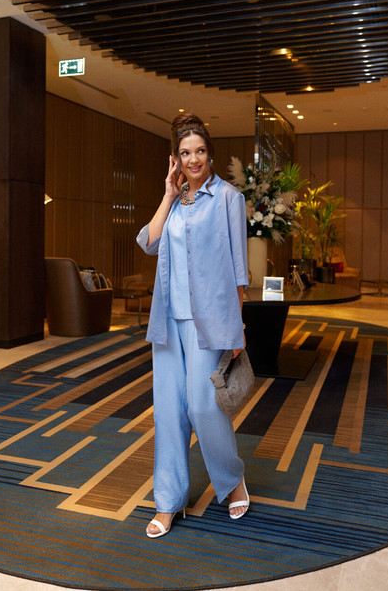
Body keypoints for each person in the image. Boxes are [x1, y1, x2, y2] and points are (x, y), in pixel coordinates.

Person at [136, 111, 250, 539]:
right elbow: (149, 243)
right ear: (176, 159)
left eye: (200, 151)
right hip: (168, 320)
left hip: (209, 322)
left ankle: (231, 479)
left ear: (210, 154)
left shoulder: (228, 198)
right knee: (168, 412)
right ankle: (168, 501)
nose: (194, 159)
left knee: (204, 406)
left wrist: (237, 327)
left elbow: (239, 268)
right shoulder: (175, 199)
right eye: (185, 153)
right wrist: (167, 195)